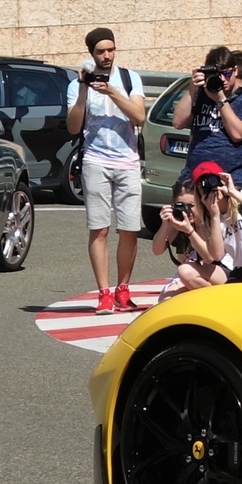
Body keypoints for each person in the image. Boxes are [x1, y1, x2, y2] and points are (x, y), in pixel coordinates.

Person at [64, 25, 146, 312]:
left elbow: (139, 117)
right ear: (92, 54)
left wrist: (111, 91)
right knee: (99, 229)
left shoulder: (128, 78)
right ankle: (104, 293)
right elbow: (73, 126)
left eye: (111, 50)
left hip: (128, 162)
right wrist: (85, 89)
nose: (107, 55)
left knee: (129, 229)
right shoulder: (77, 85)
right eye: (101, 51)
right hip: (96, 161)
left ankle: (123, 289)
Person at [155, 162, 242, 291]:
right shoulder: (210, 216)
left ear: (223, 180)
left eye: (214, 183)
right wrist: (215, 216)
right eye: (204, 188)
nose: (213, 190)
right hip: (239, 271)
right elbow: (216, 256)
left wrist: (233, 192)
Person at [173, 44, 242, 191]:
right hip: (194, 176)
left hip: (232, 181)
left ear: (235, 70)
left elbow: (237, 134)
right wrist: (192, 89)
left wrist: (220, 99)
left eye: (227, 74)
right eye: (217, 75)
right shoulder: (201, 94)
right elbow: (178, 122)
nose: (223, 80)